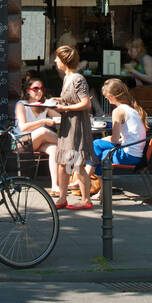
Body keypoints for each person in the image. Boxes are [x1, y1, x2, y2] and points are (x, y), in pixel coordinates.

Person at [52, 44, 95, 210]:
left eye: (57, 58)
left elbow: (86, 103)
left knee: (77, 163)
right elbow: (71, 99)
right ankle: (62, 198)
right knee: (63, 162)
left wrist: (65, 108)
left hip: (77, 126)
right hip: (67, 125)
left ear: (64, 60)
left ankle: (86, 200)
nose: (55, 60)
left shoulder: (78, 79)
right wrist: (58, 101)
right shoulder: (66, 78)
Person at [90, 79, 148, 180]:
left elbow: (114, 140)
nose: (107, 100)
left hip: (128, 156)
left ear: (111, 96)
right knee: (102, 152)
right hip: (138, 155)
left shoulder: (118, 111)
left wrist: (104, 140)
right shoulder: (133, 110)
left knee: (97, 145)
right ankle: (100, 189)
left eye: (106, 97)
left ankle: (86, 177)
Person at [15, 74, 60, 192]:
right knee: (44, 130)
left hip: (38, 142)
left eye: (41, 89)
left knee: (54, 148)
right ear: (27, 91)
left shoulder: (44, 105)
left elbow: (60, 118)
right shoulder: (21, 104)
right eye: (35, 89)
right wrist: (44, 120)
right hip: (21, 142)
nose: (39, 91)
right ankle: (69, 145)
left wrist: (58, 104)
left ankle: (55, 185)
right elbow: (23, 127)